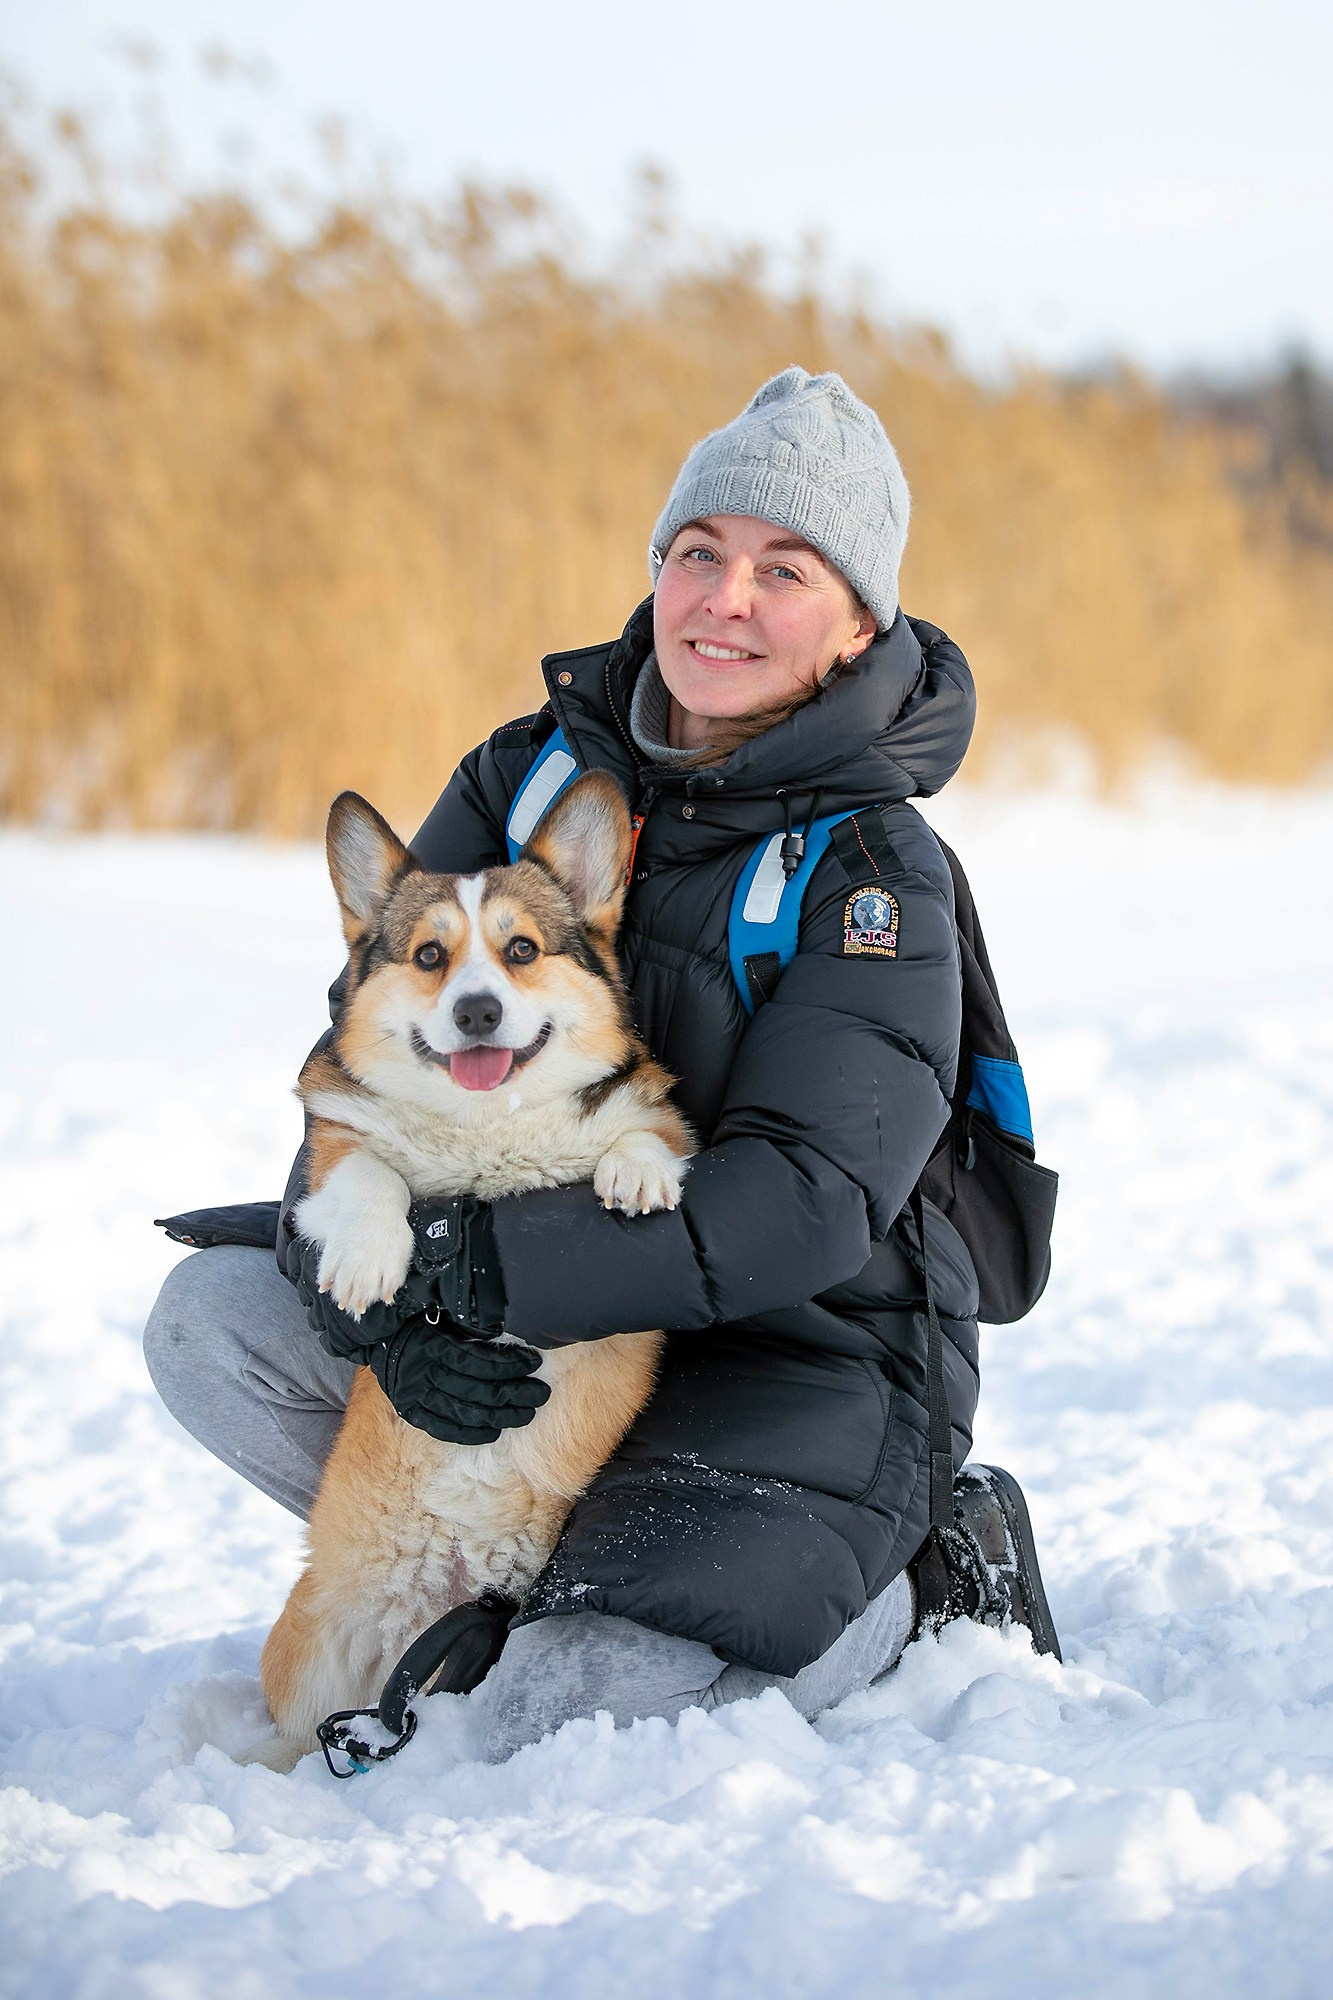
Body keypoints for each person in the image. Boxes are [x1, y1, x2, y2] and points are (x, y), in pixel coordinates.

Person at [144, 367, 1059, 1762]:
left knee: (574, 1710)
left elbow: (805, 1198)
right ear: (656, 571)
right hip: (548, 1343)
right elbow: (362, 1053)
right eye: (699, 554)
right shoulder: (523, 780)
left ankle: (920, 1580)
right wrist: (380, 1302)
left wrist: (482, 1270)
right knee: (213, 1323)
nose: (725, 599)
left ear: (857, 623)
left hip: (789, 1360)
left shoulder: (872, 873)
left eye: (783, 569)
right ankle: (501, 1573)